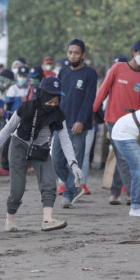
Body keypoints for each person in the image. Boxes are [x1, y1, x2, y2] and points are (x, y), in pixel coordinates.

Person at [0, 76, 84, 232]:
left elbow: (65, 140)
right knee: (17, 189)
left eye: (56, 102)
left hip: (41, 148)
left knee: (49, 183)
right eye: (49, 101)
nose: (52, 105)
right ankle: (10, 220)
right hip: (19, 146)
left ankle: (47, 219)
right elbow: (8, 128)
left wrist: (73, 164)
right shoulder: (26, 108)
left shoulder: (58, 115)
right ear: (41, 94)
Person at [93, 40, 140, 205]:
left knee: (122, 156)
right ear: (133, 52)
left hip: (132, 122)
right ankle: (132, 193)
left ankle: (115, 192)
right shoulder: (118, 68)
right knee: (123, 156)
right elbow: (103, 89)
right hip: (113, 119)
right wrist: (94, 110)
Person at [53, 39, 97, 207]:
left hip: (79, 125)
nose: (73, 55)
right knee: (56, 160)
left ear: (83, 55)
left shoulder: (90, 73)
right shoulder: (63, 72)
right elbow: (55, 97)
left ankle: (69, 193)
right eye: (70, 52)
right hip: (61, 123)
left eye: (76, 52)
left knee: (75, 162)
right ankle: (74, 185)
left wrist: (81, 120)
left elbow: (89, 99)